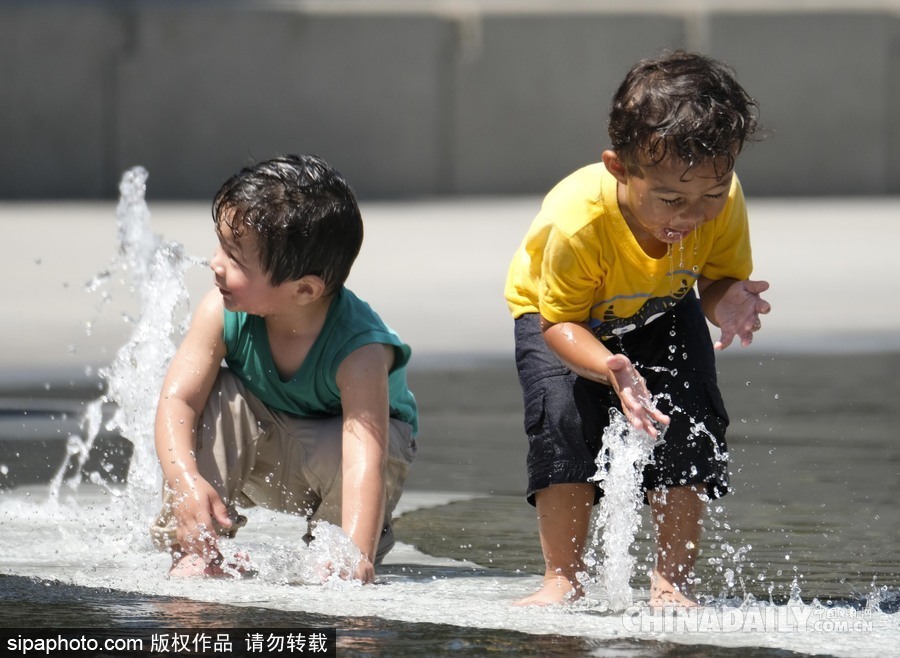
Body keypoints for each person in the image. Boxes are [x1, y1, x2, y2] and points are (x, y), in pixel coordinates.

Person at [504, 50, 770, 607]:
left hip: (662, 309)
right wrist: (607, 366)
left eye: (711, 196)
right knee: (563, 422)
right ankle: (563, 576)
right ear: (619, 167)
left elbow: (716, 281)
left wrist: (730, 303)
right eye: (672, 199)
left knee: (690, 419)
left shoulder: (722, 201)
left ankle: (672, 579)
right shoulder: (579, 224)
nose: (692, 215)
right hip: (564, 321)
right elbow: (559, 322)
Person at [150, 154, 417, 584]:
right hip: (262, 447)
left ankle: (337, 554)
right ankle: (196, 544)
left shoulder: (359, 348)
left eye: (235, 258)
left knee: (372, 444)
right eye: (220, 245)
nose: (215, 263)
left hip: (333, 462)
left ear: (305, 289)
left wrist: (355, 551)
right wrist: (184, 480)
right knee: (216, 393)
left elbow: (363, 461)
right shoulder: (220, 310)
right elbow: (177, 399)